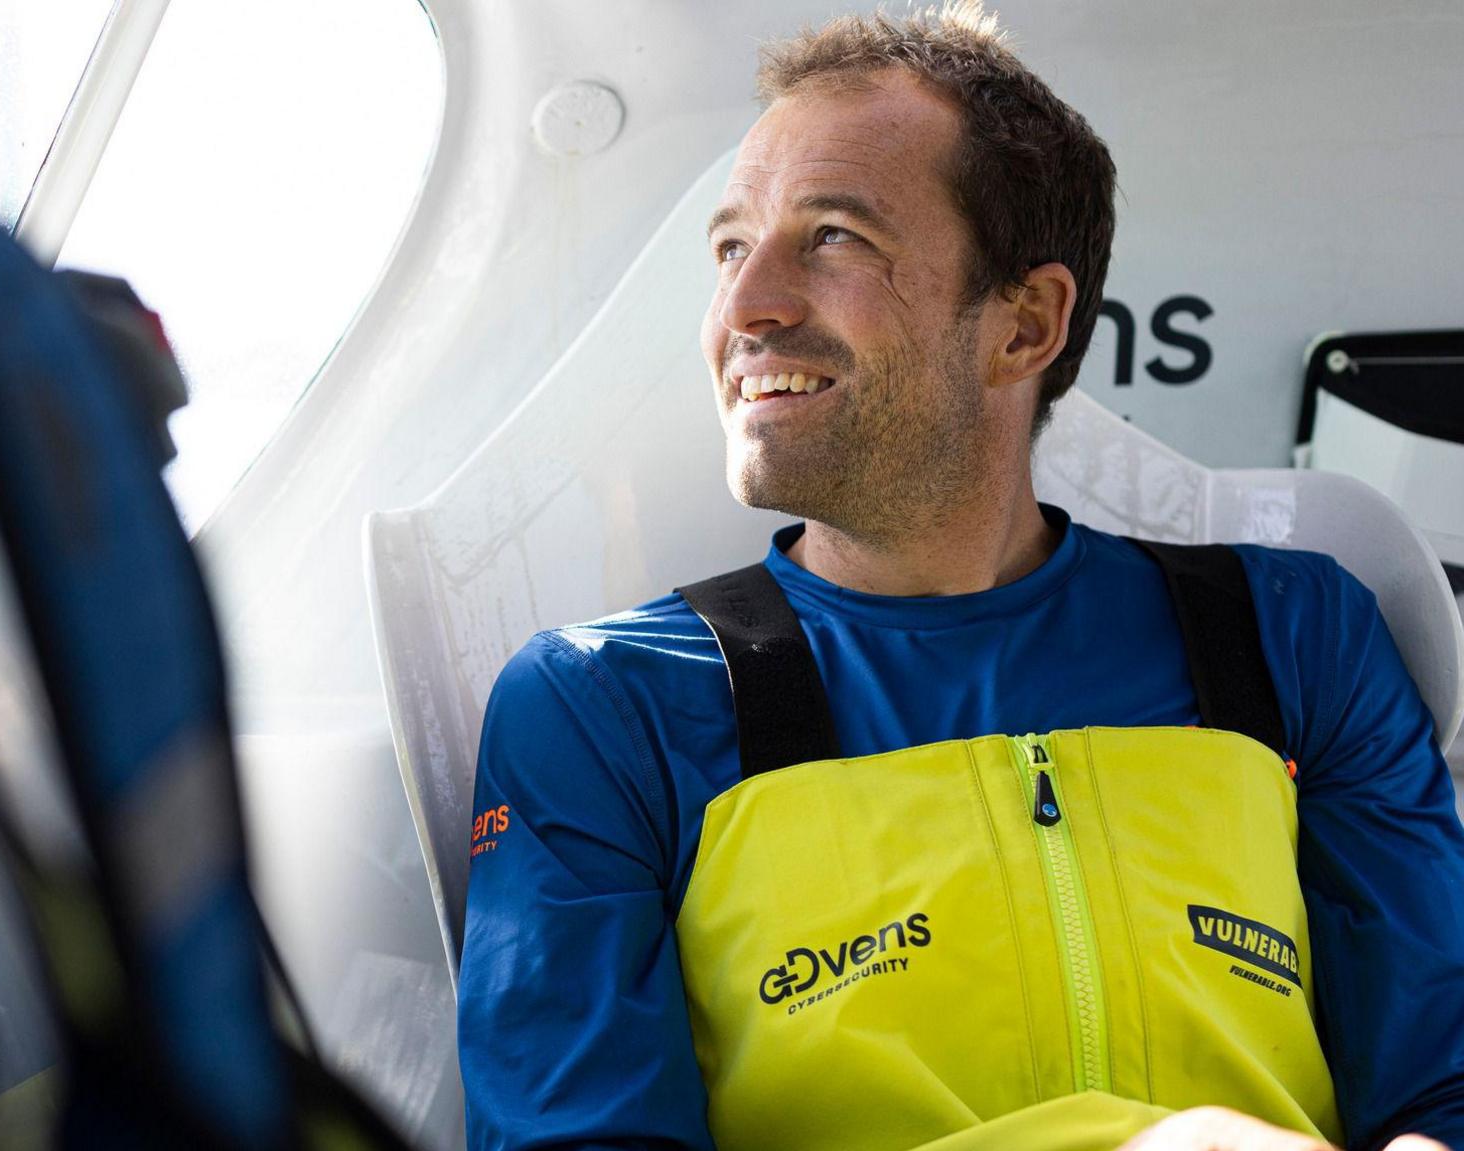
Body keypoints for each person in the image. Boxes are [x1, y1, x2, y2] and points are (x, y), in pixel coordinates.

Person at [453, 6, 1464, 1151]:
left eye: (832, 236)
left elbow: (1442, 1086)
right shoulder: (601, 704)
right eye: (731, 247)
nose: (741, 310)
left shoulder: (1291, 634)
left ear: (1023, 325)